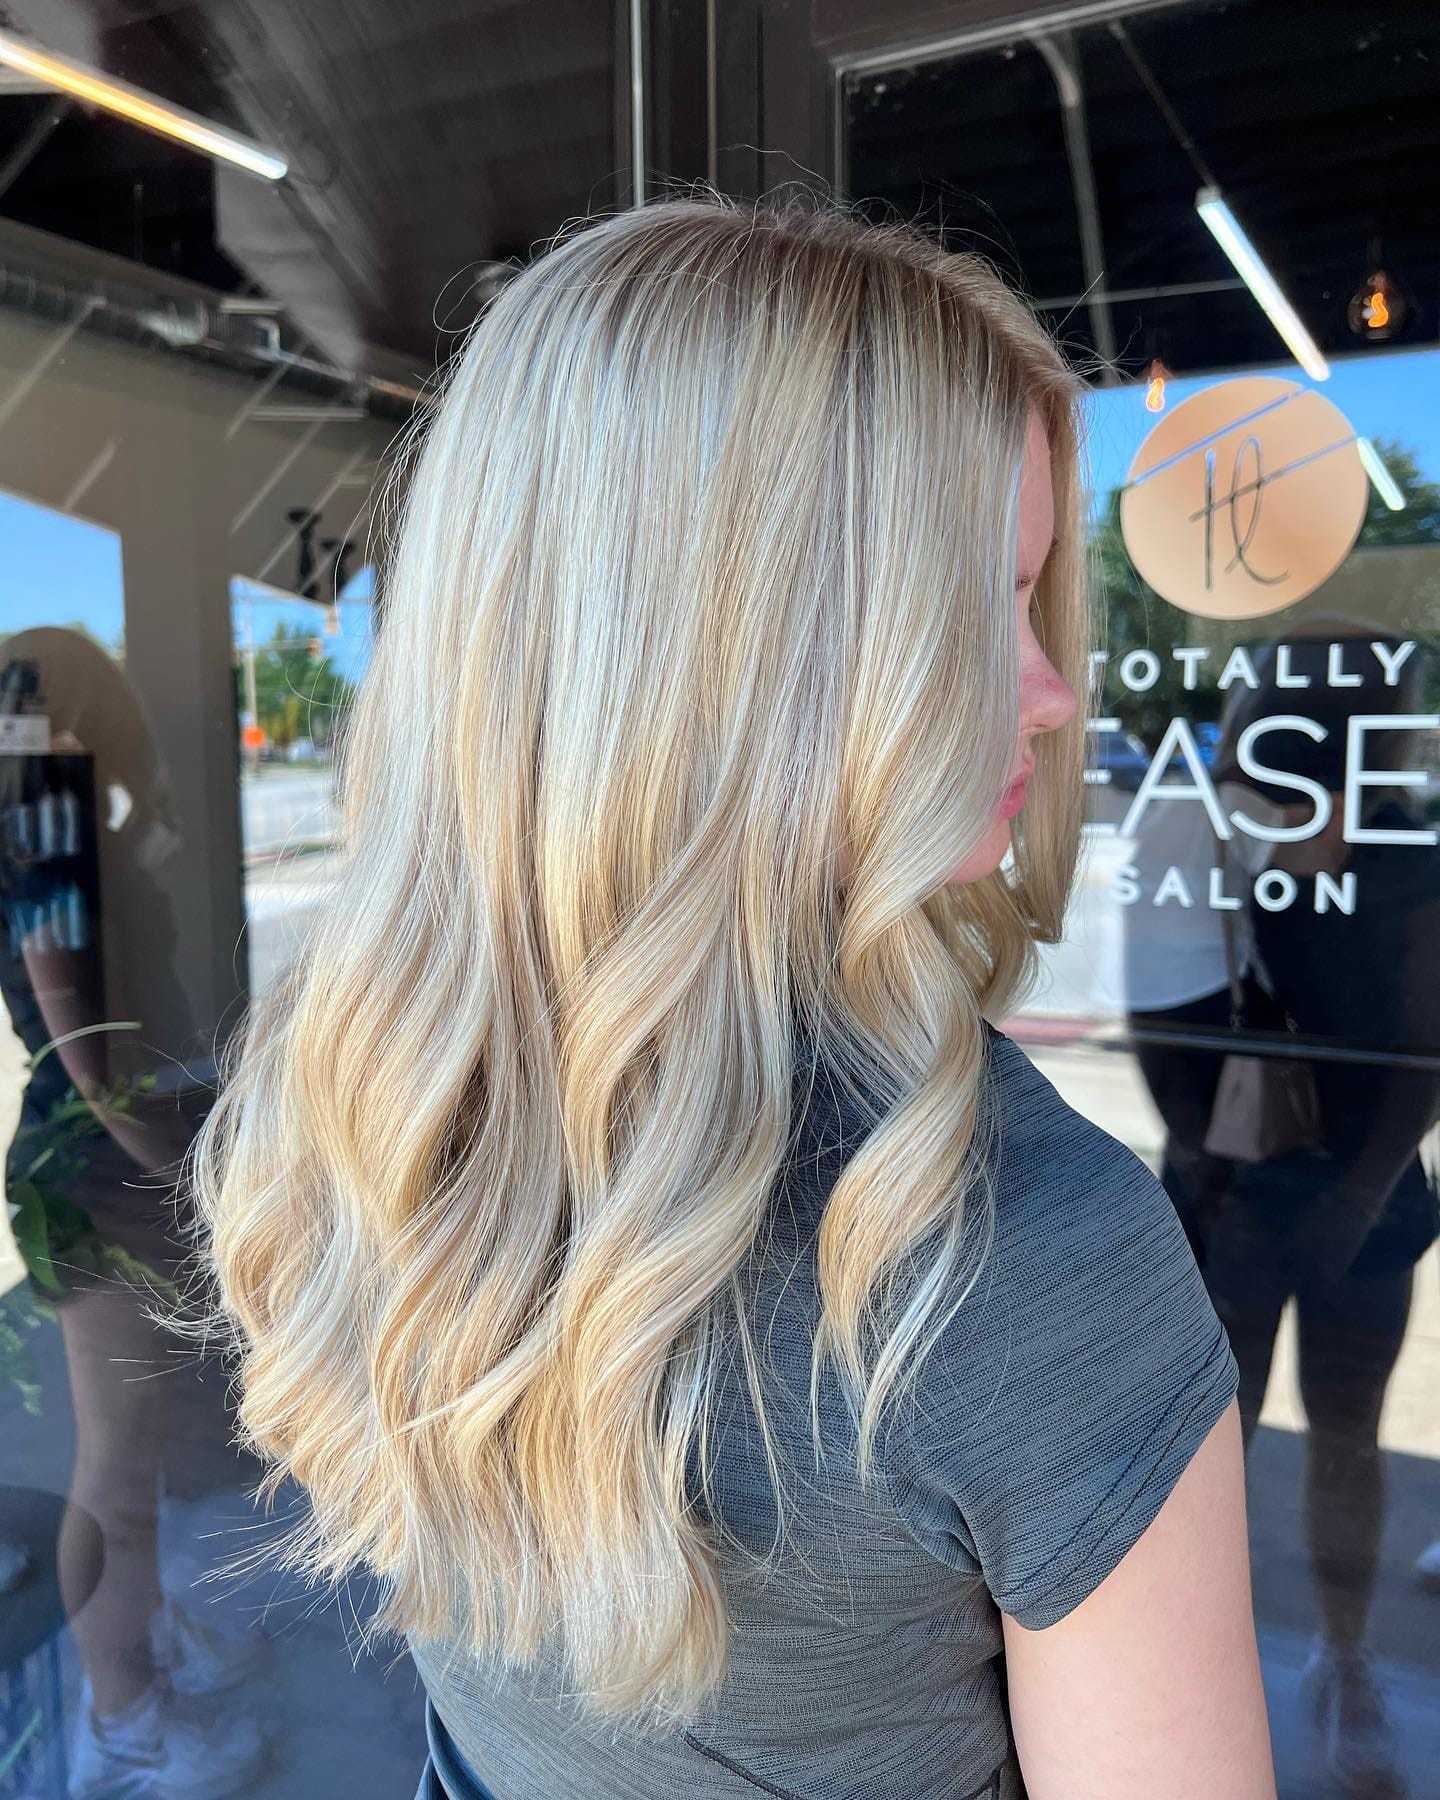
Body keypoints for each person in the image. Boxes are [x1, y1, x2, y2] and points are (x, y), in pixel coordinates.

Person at [182, 195, 1275, 1799]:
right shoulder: (1024, 1254)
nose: (1049, 698)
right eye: (968, 602)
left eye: (1033, 597)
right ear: (725, 655)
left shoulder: (376, 1096)